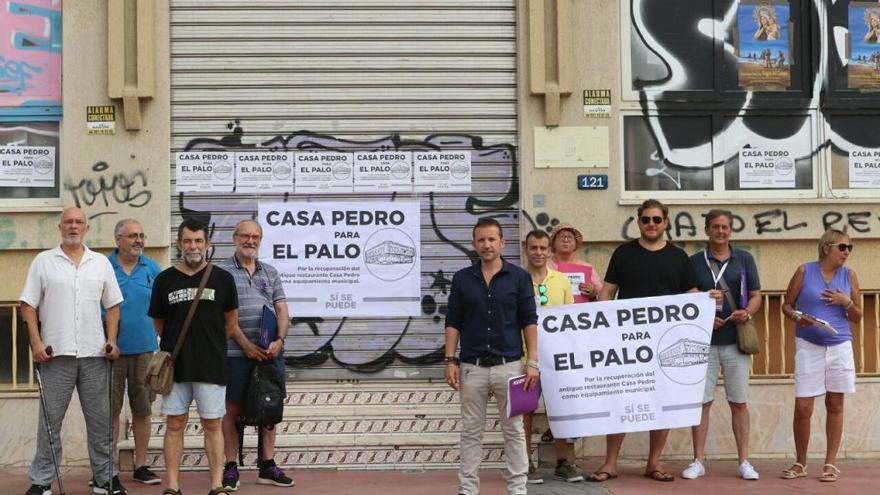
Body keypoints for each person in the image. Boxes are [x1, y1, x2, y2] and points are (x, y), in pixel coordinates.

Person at [589, 199, 713, 483]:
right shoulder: (623, 253)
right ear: (638, 221)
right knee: (621, 400)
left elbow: (691, 295)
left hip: (666, 344)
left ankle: (654, 463)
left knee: (663, 401)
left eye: (657, 219)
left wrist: (708, 300)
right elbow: (607, 293)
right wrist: (602, 329)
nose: (652, 224)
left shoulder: (679, 257)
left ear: (666, 222)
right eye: (646, 220)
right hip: (627, 344)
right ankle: (610, 463)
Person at [20, 207, 125, 495]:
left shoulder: (100, 263)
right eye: (69, 222)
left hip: (95, 354)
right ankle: (42, 481)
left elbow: (113, 305)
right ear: (60, 227)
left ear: (86, 228)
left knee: (101, 423)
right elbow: (27, 305)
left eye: (79, 222)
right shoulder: (44, 261)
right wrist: (36, 343)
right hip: (56, 356)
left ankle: (105, 479)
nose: (74, 226)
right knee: (50, 423)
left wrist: (112, 340)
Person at [444, 217, 539, 495]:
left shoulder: (519, 278)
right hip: (471, 368)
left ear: (502, 242)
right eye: (481, 240)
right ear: (474, 244)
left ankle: (518, 489)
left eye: (492, 239)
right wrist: (450, 360)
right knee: (471, 432)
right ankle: (468, 490)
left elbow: (529, 321)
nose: (487, 245)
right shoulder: (462, 279)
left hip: (510, 367)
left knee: (514, 431)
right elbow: (453, 321)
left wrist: (532, 362)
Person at [149, 219, 240, 495]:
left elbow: (231, 323)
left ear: (207, 244)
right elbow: (159, 324)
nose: (193, 246)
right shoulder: (164, 280)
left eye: (198, 241)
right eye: (188, 241)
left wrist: (208, 345)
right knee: (175, 424)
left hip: (211, 365)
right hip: (175, 366)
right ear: (179, 244)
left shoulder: (223, 279)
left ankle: (216, 485)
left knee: (213, 424)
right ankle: (173, 486)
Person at [682, 209, 762, 481]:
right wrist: (704, 311)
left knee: (738, 402)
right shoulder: (694, 261)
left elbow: (756, 295)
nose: (720, 231)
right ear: (706, 230)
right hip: (703, 341)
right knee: (701, 403)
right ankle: (698, 460)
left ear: (731, 230)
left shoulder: (745, 259)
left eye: (725, 227)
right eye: (715, 227)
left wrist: (747, 313)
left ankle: (744, 461)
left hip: (735, 341)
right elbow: (686, 297)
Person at [218, 220, 293, 491]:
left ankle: (267, 466)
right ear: (234, 237)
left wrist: (280, 341)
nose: (250, 241)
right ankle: (230, 466)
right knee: (232, 409)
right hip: (234, 354)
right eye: (245, 236)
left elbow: (282, 309)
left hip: (269, 353)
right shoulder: (221, 271)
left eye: (255, 236)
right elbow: (223, 314)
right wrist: (244, 343)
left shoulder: (270, 272)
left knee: (270, 407)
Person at [780, 229, 861, 483]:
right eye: (843, 247)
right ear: (826, 248)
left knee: (835, 404)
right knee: (803, 407)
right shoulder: (805, 271)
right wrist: (796, 316)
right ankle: (800, 462)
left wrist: (845, 302)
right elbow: (786, 304)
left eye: (850, 248)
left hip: (839, 346)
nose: (847, 252)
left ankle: (830, 463)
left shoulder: (850, 275)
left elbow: (858, 316)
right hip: (808, 345)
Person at [521, 230, 582, 484]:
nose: (538, 253)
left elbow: (570, 321)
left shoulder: (562, 281)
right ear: (526, 249)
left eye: (543, 248)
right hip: (525, 358)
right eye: (533, 248)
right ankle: (525, 464)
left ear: (549, 251)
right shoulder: (517, 280)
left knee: (560, 409)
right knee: (525, 412)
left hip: (557, 357)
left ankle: (563, 462)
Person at [108, 219, 162, 486]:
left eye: (141, 235)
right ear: (118, 239)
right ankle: (108, 468)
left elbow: (164, 309)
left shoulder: (152, 268)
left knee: (143, 410)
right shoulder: (103, 266)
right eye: (132, 236)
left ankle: (141, 465)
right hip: (111, 352)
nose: (139, 240)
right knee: (110, 411)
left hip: (145, 351)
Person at [546, 223, 602, 301]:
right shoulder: (544, 266)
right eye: (561, 236)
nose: (566, 240)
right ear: (553, 243)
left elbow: (599, 291)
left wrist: (592, 291)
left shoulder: (586, 267)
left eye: (570, 237)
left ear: (576, 244)